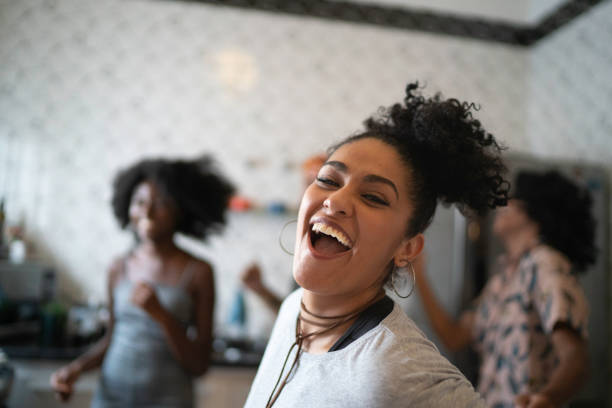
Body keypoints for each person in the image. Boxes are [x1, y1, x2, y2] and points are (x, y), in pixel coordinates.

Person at [244, 82, 510, 408]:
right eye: (327, 180)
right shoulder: (292, 309)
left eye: (372, 197)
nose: (336, 200)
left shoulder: (399, 373)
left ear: (408, 248)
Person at [50, 156, 234, 407]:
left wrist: (161, 315)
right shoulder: (118, 267)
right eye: (139, 201)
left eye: (160, 203)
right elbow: (111, 339)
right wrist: (74, 370)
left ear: (180, 210)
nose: (147, 211)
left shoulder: (199, 272)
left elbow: (199, 365)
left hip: (169, 400)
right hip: (110, 398)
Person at [414, 170, 596, 407]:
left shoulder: (545, 264)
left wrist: (546, 399)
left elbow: (575, 359)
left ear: (535, 211)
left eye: (513, 198)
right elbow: (455, 337)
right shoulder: (503, 279)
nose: (503, 204)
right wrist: (418, 274)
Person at [240, 154, 326, 313]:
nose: (310, 196)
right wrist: (259, 288)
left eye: (323, 185)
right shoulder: (308, 251)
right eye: (308, 185)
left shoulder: (328, 256)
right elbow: (294, 317)